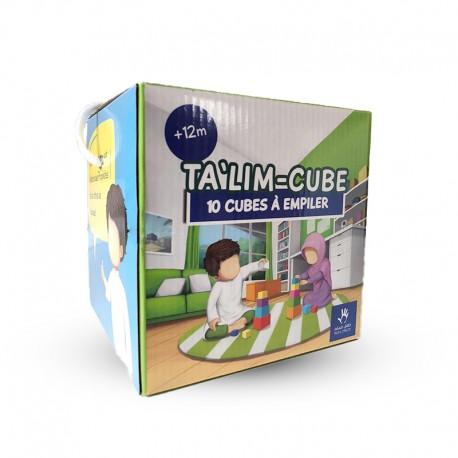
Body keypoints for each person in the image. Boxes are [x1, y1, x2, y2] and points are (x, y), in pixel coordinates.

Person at [203, 239, 269, 340]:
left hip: (239, 312)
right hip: (224, 318)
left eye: (236, 263)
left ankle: (241, 321)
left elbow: (249, 268)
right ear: (216, 275)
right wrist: (212, 318)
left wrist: (260, 264)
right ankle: (232, 327)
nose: (234, 269)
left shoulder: (239, 274)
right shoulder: (218, 286)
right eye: (228, 267)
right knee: (208, 333)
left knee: (253, 312)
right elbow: (211, 304)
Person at [100, 184, 132, 375]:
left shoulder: (120, 281)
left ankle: (125, 357)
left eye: (113, 241)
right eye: (109, 239)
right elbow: (108, 296)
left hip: (122, 339)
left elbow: (111, 296)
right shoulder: (115, 276)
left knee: (122, 333)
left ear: (121, 249)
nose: (110, 247)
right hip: (115, 330)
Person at [296, 232, 332, 310]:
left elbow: (319, 275)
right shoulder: (313, 267)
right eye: (307, 256)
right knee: (306, 298)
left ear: (320, 251)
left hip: (324, 289)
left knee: (319, 299)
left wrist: (308, 281)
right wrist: (300, 276)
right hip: (316, 290)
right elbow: (307, 273)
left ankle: (327, 298)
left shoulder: (325, 262)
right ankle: (313, 303)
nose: (310, 258)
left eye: (312, 255)